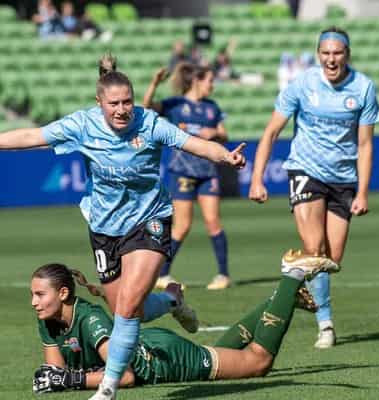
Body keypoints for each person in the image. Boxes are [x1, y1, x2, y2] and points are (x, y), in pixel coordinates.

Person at [0, 54, 245, 400]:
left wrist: (225, 156)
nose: (122, 109)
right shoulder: (83, 125)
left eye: (127, 101)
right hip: (105, 229)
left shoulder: (150, 123)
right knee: (125, 312)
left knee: (128, 306)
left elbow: (192, 143)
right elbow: (30, 135)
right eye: (113, 103)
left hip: (150, 220)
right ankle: (172, 301)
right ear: (99, 102)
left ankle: (108, 387)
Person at [31, 253, 339, 395]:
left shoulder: (89, 318)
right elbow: (56, 373)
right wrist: (59, 379)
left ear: (63, 293)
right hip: (150, 345)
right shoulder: (49, 319)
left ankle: (292, 274)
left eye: (39, 294)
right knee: (220, 355)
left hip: (164, 361)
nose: (34, 301)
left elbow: (123, 376)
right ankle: (278, 300)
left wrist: (71, 381)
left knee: (257, 362)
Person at [249, 26, 379, 349]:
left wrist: (362, 191)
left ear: (347, 55)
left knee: (331, 260)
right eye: (326, 53)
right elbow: (271, 132)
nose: (331, 59)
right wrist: (257, 178)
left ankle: (298, 284)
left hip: (343, 179)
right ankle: (326, 324)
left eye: (337, 53)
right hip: (306, 170)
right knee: (315, 248)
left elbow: (365, 145)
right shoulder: (303, 84)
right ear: (318, 54)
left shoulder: (363, 88)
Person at [143, 63, 232, 291]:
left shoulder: (212, 107)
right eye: (209, 80)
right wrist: (154, 84)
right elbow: (146, 107)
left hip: (208, 171)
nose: (212, 85)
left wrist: (216, 133)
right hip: (182, 170)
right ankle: (162, 274)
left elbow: (224, 133)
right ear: (197, 81)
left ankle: (223, 275)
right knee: (182, 226)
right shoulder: (176, 104)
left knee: (213, 222)